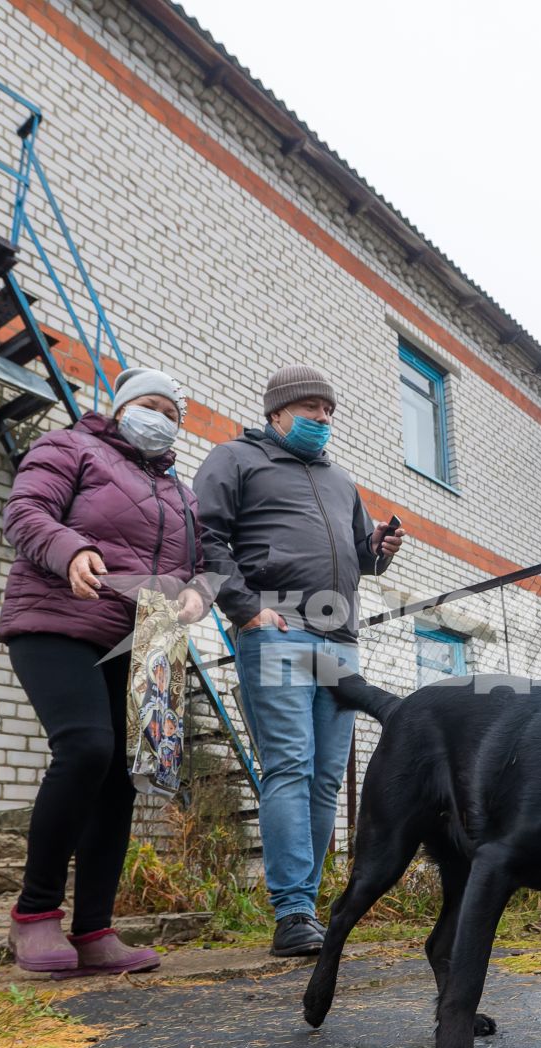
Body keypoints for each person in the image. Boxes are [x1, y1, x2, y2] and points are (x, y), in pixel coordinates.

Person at [0, 367, 210, 976]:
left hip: (140, 644)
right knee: (86, 748)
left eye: (171, 413)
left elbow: (201, 564)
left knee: (122, 776)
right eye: (147, 405)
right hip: (56, 621)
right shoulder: (68, 446)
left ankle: (94, 929)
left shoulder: (181, 495)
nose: (159, 419)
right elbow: (26, 511)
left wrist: (199, 594)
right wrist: (71, 549)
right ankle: (35, 915)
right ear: (118, 408)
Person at [194, 364, 406, 956]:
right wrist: (244, 608)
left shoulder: (341, 480)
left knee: (325, 780)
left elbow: (361, 559)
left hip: (339, 639)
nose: (322, 419)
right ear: (277, 412)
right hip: (278, 631)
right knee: (289, 764)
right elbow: (204, 536)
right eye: (311, 408)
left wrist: (377, 550)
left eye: (328, 410)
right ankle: (291, 912)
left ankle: (308, 910)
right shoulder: (234, 459)